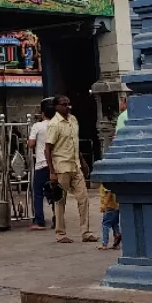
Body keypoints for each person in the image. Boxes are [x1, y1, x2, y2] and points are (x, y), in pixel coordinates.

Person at [46, 95, 97, 244]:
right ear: (56, 107)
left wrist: (83, 162)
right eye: (64, 104)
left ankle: (85, 232)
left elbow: (75, 144)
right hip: (61, 166)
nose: (67, 107)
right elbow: (48, 149)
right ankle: (60, 233)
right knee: (60, 200)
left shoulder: (73, 120)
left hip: (75, 165)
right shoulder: (54, 124)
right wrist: (52, 171)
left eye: (68, 104)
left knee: (83, 198)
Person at [28, 99, 56, 229]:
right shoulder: (57, 125)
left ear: (43, 113)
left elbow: (31, 144)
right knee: (56, 192)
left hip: (41, 163)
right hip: (55, 163)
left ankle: (39, 221)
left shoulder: (37, 126)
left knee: (38, 192)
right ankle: (57, 218)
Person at [98, 184, 121, 251]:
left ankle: (104, 244)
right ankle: (116, 243)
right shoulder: (112, 181)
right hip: (116, 206)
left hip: (109, 207)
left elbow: (108, 193)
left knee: (105, 225)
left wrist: (104, 205)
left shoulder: (105, 183)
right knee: (115, 224)